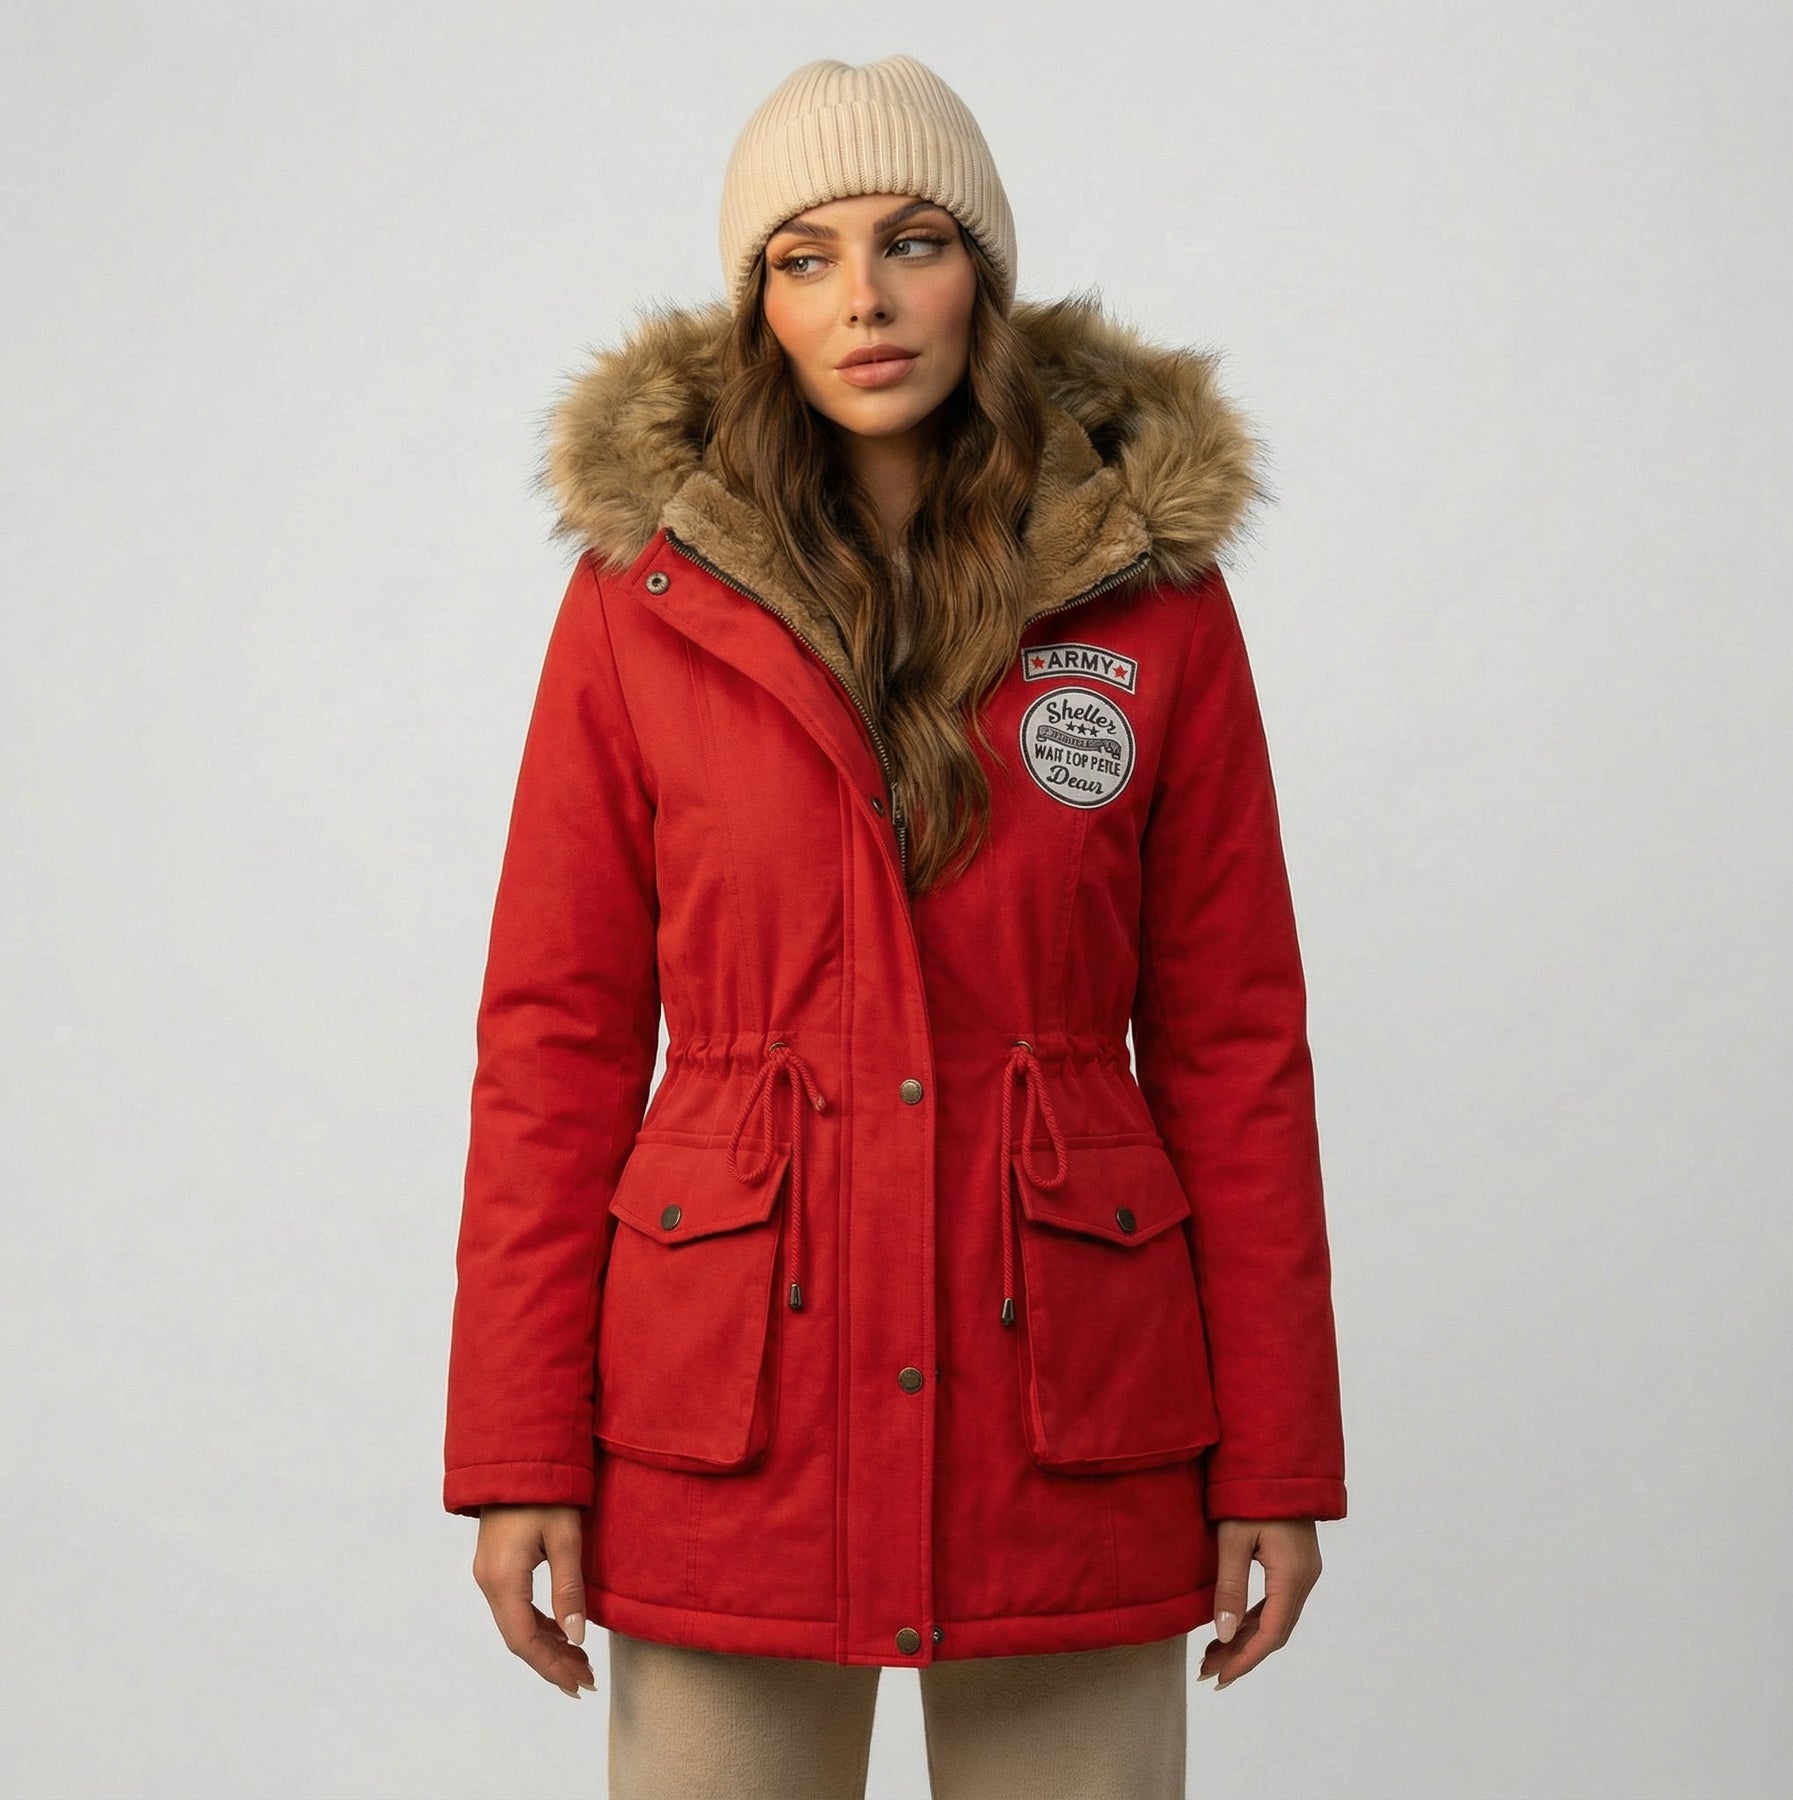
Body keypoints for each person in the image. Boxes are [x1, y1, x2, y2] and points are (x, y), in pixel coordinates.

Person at [443, 52, 1348, 1800]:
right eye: (805, 257)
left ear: (981, 276)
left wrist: (1277, 1455)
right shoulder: (642, 603)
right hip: (729, 1417)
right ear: (757, 306)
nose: (862, 298)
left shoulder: (1152, 603)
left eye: (912, 241)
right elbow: (554, 1035)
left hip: (1069, 1416)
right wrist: (516, 1446)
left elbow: (1236, 1042)